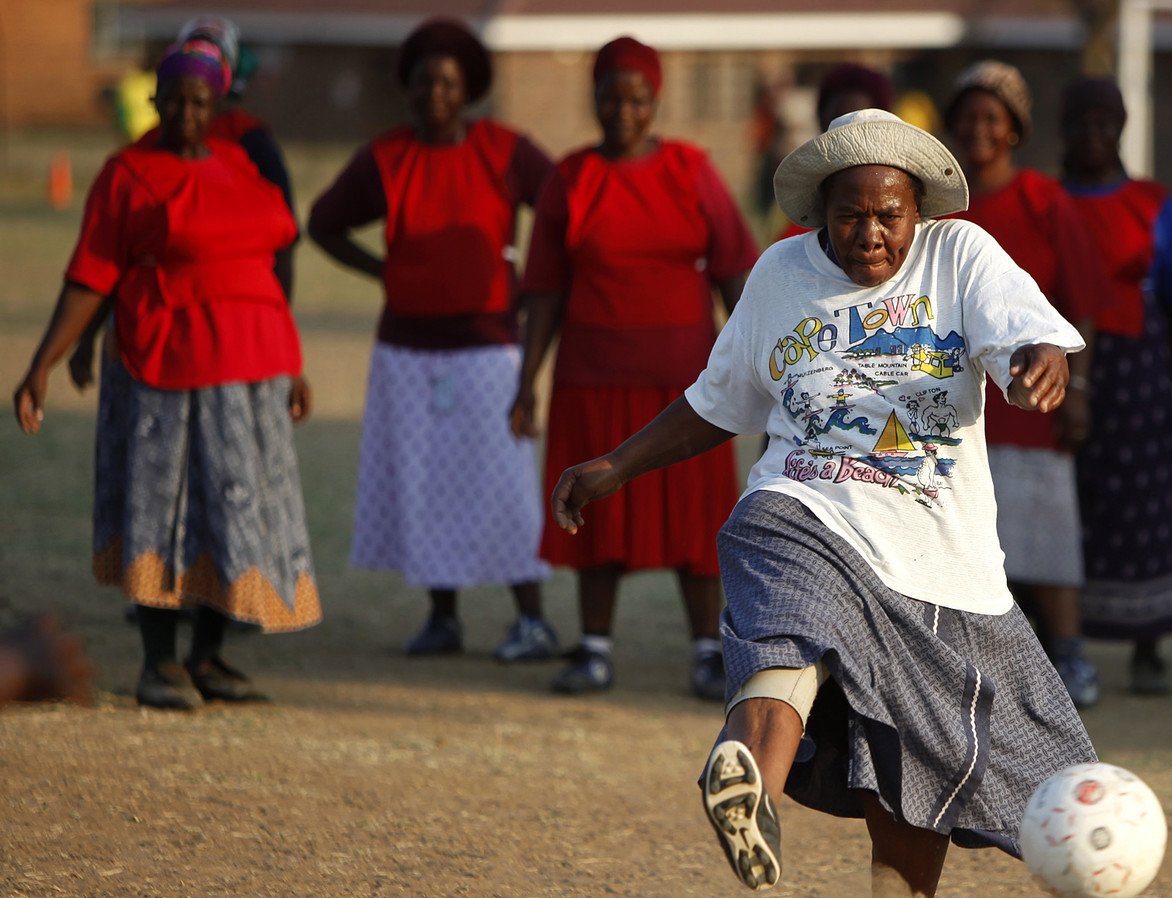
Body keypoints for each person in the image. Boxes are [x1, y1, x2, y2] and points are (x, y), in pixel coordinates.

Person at [549, 109, 1097, 898]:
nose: (870, 234)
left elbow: (1023, 332)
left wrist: (1037, 358)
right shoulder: (779, 275)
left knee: (915, 779)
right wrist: (615, 464)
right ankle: (751, 793)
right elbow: (717, 400)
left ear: (918, 211)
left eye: (888, 215)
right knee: (786, 623)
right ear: (821, 212)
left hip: (936, 563)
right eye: (851, 215)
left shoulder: (958, 254)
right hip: (804, 504)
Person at [12, 41, 319, 709]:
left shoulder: (242, 166)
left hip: (252, 374)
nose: (185, 111)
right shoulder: (127, 174)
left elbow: (265, 273)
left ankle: (207, 657)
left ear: (218, 107)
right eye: (174, 99)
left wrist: (292, 363)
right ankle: (159, 663)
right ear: (153, 101)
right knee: (165, 513)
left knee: (233, 516)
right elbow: (92, 275)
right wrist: (43, 362)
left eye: (199, 101)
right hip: (166, 371)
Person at [514, 37, 759, 698]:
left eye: (637, 99)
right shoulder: (570, 177)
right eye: (610, 97)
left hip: (686, 384)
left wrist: (759, 368)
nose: (623, 111)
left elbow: (737, 271)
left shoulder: (690, 169)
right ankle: (593, 648)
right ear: (593, 99)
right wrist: (524, 384)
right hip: (591, 377)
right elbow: (542, 292)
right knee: (596, 508)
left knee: (696, 517)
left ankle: (708, 650)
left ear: (655, 102)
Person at [309, 18, 559, 661]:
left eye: (447, 83)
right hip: (406, 351)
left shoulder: (503, 149)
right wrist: (382, 270)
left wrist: (533, 277)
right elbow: (323, 223)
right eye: (424, 83)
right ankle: (442, 617)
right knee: (426, 486)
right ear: (409, 89)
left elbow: (562, 206)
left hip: (488, 348)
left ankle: (531, 619)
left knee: (503, 485)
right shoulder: (387, 157)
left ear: (467, 88)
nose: (435, 94)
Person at [944, 60, 1106, 706]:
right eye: (968, 117)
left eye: (993, 118)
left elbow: (1082, 303)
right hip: (958, 410)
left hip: (1031, 405)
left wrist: (1080, 391)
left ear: (1014, 131)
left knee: (1047, 536)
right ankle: (981, 667)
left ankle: (1070, 658)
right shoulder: (938, 206)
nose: (978, 129)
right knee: (968, 544)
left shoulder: (1044, 201)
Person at [1057, 77, 1172, 695]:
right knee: (1068, 501)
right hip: (1061, 367)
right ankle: (1061, 638)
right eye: (1081, 122)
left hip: (1140, 372)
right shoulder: (1048, 200)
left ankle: (1148, 642)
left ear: (1122, 127)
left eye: (1106, 122)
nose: (1094, 134)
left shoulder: (1155, 204)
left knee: (1144, 503)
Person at [74, 16, 299, 444]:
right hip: (155, 333)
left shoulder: (249, 148)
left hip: (235, 337)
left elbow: (284, 240)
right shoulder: (143, 158)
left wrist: (276, 333)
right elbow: (108, 257)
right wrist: (87, 337)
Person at [773, 63, 896, 243]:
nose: (847, 138)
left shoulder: (906, 200)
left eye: (860, 126)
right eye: (838, 122)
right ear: (822, 122)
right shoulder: (803, 212)